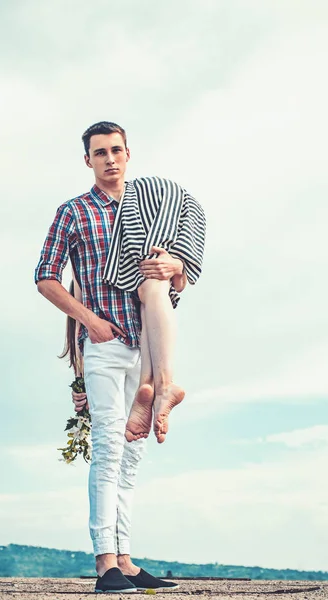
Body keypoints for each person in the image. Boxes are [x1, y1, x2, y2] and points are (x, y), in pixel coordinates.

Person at [35, 121, 204, 593]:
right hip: (106, 345)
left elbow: (175, 279)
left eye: (116, 150)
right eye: (99, 153)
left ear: (129, 154)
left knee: (132, 455)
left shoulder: (152, 210)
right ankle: (104, 564)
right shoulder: (73, 212)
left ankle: (126, 560)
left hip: (147, 348)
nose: (110, 159)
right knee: (108, 449)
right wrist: (88, 321)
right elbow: (45, 275)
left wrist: (177, 270)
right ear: (87, 160)